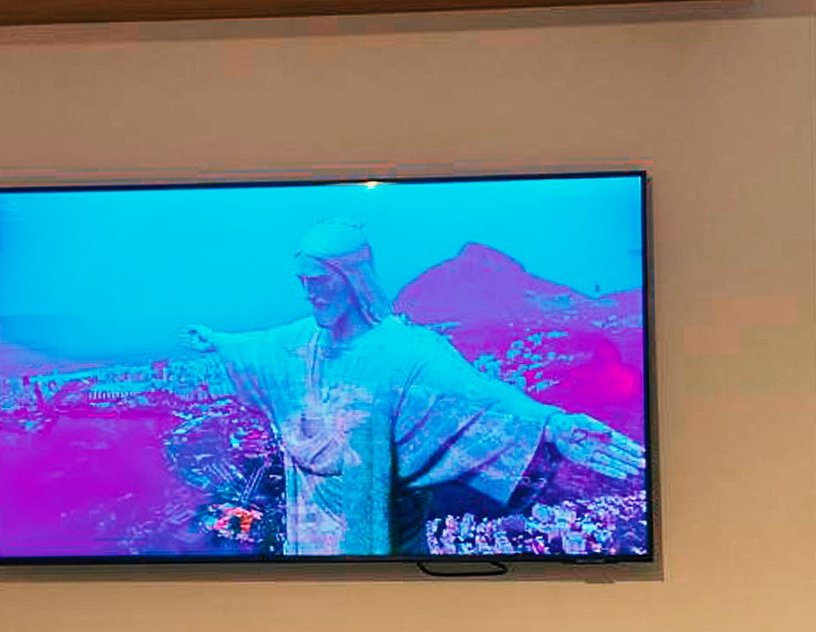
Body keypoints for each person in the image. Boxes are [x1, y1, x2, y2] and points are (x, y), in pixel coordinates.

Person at [182, 220, 645, 556]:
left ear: (352, 280)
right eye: (303, 283)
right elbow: (259, 346)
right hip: (310, 544)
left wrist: (553, 424)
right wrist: (218, 340)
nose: (310, 293)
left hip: (388, 557)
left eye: (319, 282)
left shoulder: (408, 350)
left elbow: (478, 393)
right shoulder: (303, 341)